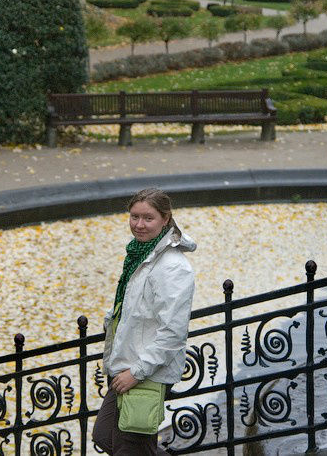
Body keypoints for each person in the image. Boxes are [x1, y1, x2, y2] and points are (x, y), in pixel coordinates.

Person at [93, 188, 196, 455]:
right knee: (105, 435)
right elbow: (137, 307)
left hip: (144, 370)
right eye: (134, 216)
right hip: (125, 363)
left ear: (165, 219)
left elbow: (173, 332)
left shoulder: (172, 267)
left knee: (131, 448)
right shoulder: (141, 254)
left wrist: (136, 373)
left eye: (148, 218)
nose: (139, 225)